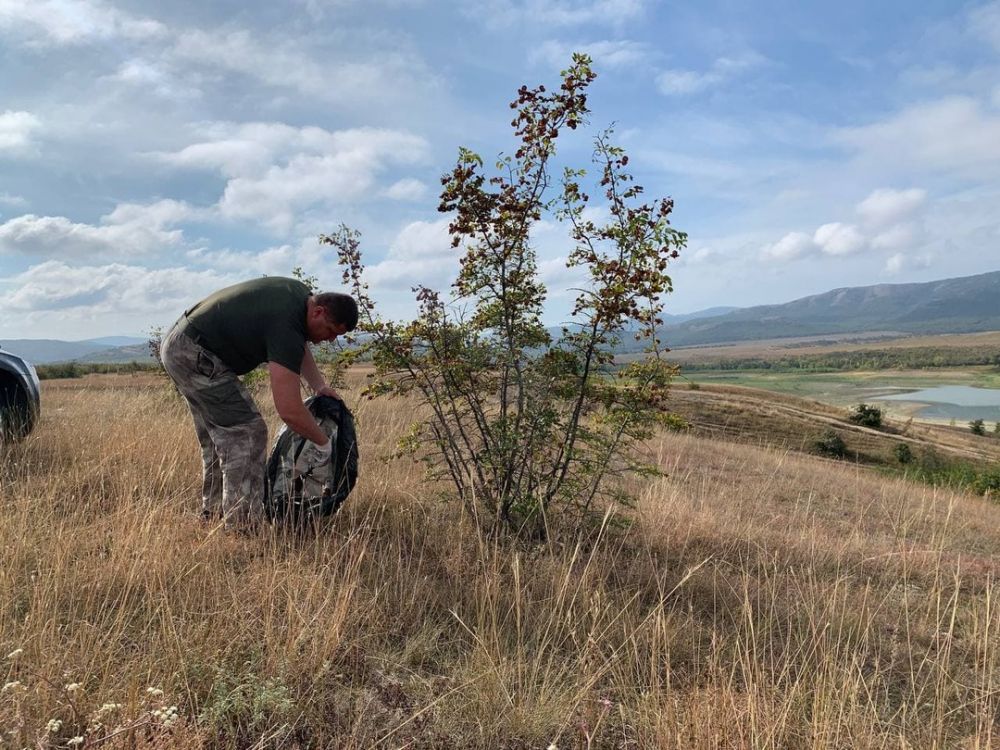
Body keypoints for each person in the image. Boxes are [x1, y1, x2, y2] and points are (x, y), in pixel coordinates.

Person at [160, 277, 358, 529]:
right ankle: (243, 526)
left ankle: (213, 515)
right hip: (195, 352)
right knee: (248, 433)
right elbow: (289, 410)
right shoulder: (285, 323)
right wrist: (323, 444)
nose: (330, 339)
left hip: (181, 343)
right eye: (331, 331)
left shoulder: (299, 297)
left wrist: (319, 386)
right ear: (319, 311)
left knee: (219, 438)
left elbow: (300, 345)